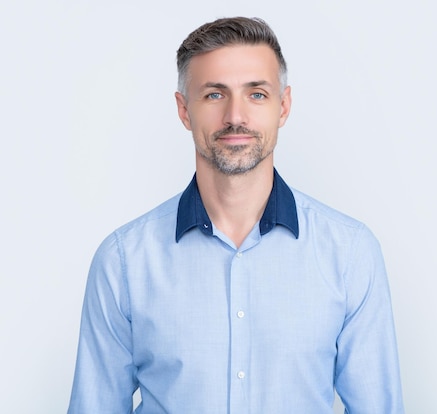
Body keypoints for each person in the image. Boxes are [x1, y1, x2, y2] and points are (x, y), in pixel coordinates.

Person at [68, 17, 404, 413]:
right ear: (183, 110)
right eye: (214, 95)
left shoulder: (349, 253)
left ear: (284, 106)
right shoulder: (123, 261)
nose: (235, 116)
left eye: (256, 94)